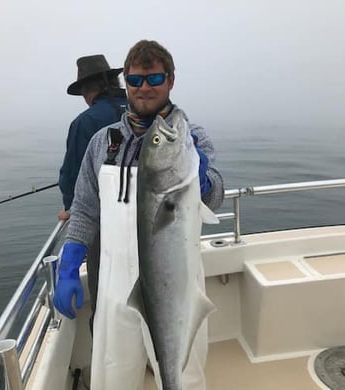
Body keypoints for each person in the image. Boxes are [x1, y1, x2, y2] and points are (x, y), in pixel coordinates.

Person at [53, 40, 224, 389]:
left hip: (176, 279)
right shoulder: (103, 141)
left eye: (154, 77)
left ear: (171, 80)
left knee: (184, 374)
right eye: (135, 80)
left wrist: (202, 178)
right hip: (116, 284)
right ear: (125, 83)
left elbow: (216, 195)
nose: (144, 87)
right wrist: (70, 260)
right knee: (112, 373)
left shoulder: (191, 138)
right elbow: (85, 207)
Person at [58, 54, 127, 221]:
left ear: (86, 91)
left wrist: (70, 208)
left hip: (103, 219)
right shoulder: (140, 110)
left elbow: (72, 175)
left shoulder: (85, 122)